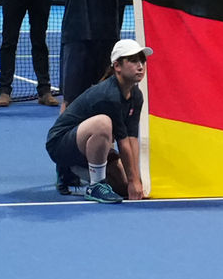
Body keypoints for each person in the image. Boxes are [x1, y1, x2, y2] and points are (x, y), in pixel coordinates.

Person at [45, 39, 150, 202]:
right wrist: (133, 180)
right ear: (117, 66)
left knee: (122, 188)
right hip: (60, 143)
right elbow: (122, 142)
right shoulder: (109, 95)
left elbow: (132, 139)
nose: (140, 66)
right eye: (134, 61)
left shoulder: (136, 96)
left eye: (142, 61)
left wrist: (135, 179)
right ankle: (95, 185)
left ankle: (70, 171)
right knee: (103, 123)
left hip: (86, 145)